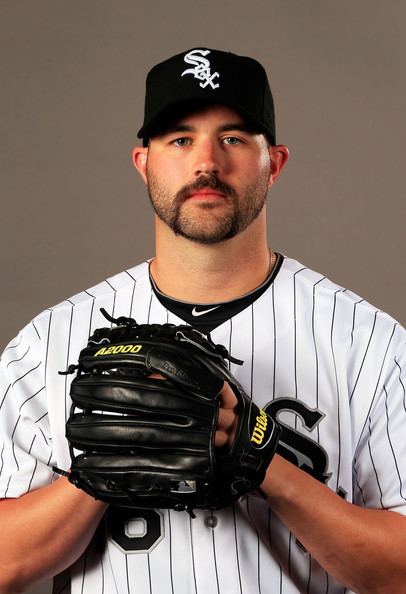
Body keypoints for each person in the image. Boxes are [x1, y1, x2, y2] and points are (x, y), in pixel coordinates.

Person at [0, 47, 405, 594]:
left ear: (275, 163)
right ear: (144, 163)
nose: (207, 163)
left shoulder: (371, 344)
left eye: (234, 139)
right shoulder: (48, 343)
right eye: (180, 139)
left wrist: (265, 460)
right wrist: (99, 473)